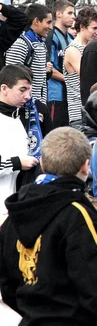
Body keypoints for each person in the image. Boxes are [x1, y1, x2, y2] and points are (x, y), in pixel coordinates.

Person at [0, 127, 97, 326]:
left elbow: (9, 286)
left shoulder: (13, 217)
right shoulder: (78, 214)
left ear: (43, 163)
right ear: (86, 166)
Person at [0, 65, 39, 220]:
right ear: (4, 88)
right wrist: (16, 163)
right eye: (22, 90)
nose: (28, 96)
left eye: (29, 90)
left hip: (13, 205)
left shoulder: (16, 120)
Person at [5, 4, 52, 103]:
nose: (51, 27)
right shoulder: (21, 44)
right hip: (23, 108)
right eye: (48, 22)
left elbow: (41, 83)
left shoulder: (40, 44)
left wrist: (41, 108)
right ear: (36, 21)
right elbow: (10, 80)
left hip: (37, 108)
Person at [63, 7, 97, 125]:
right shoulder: (72, 50)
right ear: (81, 27)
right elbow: (90, 77)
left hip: (95, 111)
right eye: (94, 28)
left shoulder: (94, 47)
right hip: (79, 113)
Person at [46, 0, 75, 127]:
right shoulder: (51, 37)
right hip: (55, 96)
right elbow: (48, 69)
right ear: (58, 14)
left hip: (70, 97)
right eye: (70, 13)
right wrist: (71, 79)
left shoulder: (72, 38)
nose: (73, 17)